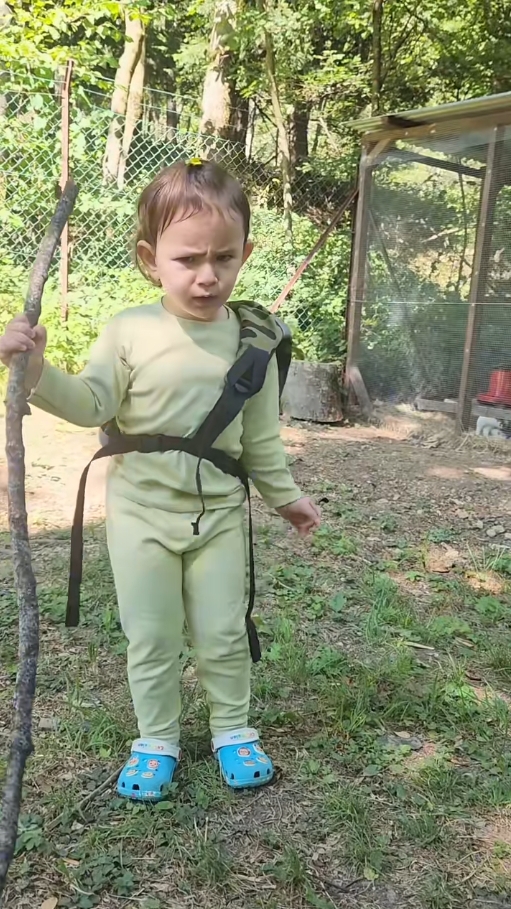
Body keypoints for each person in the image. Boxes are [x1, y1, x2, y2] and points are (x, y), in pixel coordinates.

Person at [0, 159, 321, 800]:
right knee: (150, 634)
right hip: (140, 516)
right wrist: (35, 370)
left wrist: (286, 498)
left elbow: (260, 439)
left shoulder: (255, 341)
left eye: (223, 258)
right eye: (187, 259)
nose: (207, 275)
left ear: (245, 253)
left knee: (224, 631)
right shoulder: (130, 330)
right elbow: (92, 403)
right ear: (151, 259)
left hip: (219, 517)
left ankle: (233, 730)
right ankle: (156, 740)